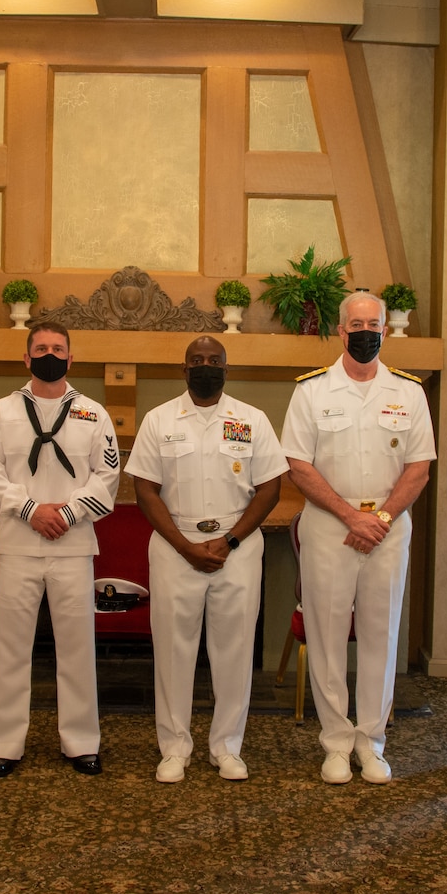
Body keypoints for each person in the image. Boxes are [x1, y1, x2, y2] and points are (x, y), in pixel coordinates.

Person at [281, 291, 434, 785]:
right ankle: (335, 743)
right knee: (326, 635)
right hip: (330, 526)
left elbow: (419, 468)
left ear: (385, 331)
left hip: (387, 529)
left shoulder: (409, 391)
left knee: (380, 634)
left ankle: (371, 742)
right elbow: (298, 466)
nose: (365, 332)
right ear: (341, 331)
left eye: (374, 324)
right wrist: (351, 516)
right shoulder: (312, 391)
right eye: (356, 324)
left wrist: (381, 519)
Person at [128, 335, 288, 783]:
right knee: (173, 651)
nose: (205, 366)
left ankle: (227, 747)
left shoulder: (251, 420)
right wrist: (183, 545)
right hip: (175, 545)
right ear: (184, 369)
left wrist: (230, 541)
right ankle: (174, 748)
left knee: (234, 649)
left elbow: (271, 486)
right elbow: (144, 488)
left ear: (226, 368)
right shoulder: (160, 420)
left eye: (213, 360)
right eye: (196, 361)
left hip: (236, 546)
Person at [0, 321, 118, 778]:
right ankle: (2, 744)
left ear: (71, 359)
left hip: (73, 546)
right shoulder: (1, 412)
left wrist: (69, 514)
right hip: (17, 544)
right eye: (41, 348)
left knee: (77, 647)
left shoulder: (93, 414)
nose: (49, 354)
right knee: (10, 647)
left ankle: (81, 742)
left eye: (58, 349)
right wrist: (31, 509)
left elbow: (108, 478)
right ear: (26, 357)